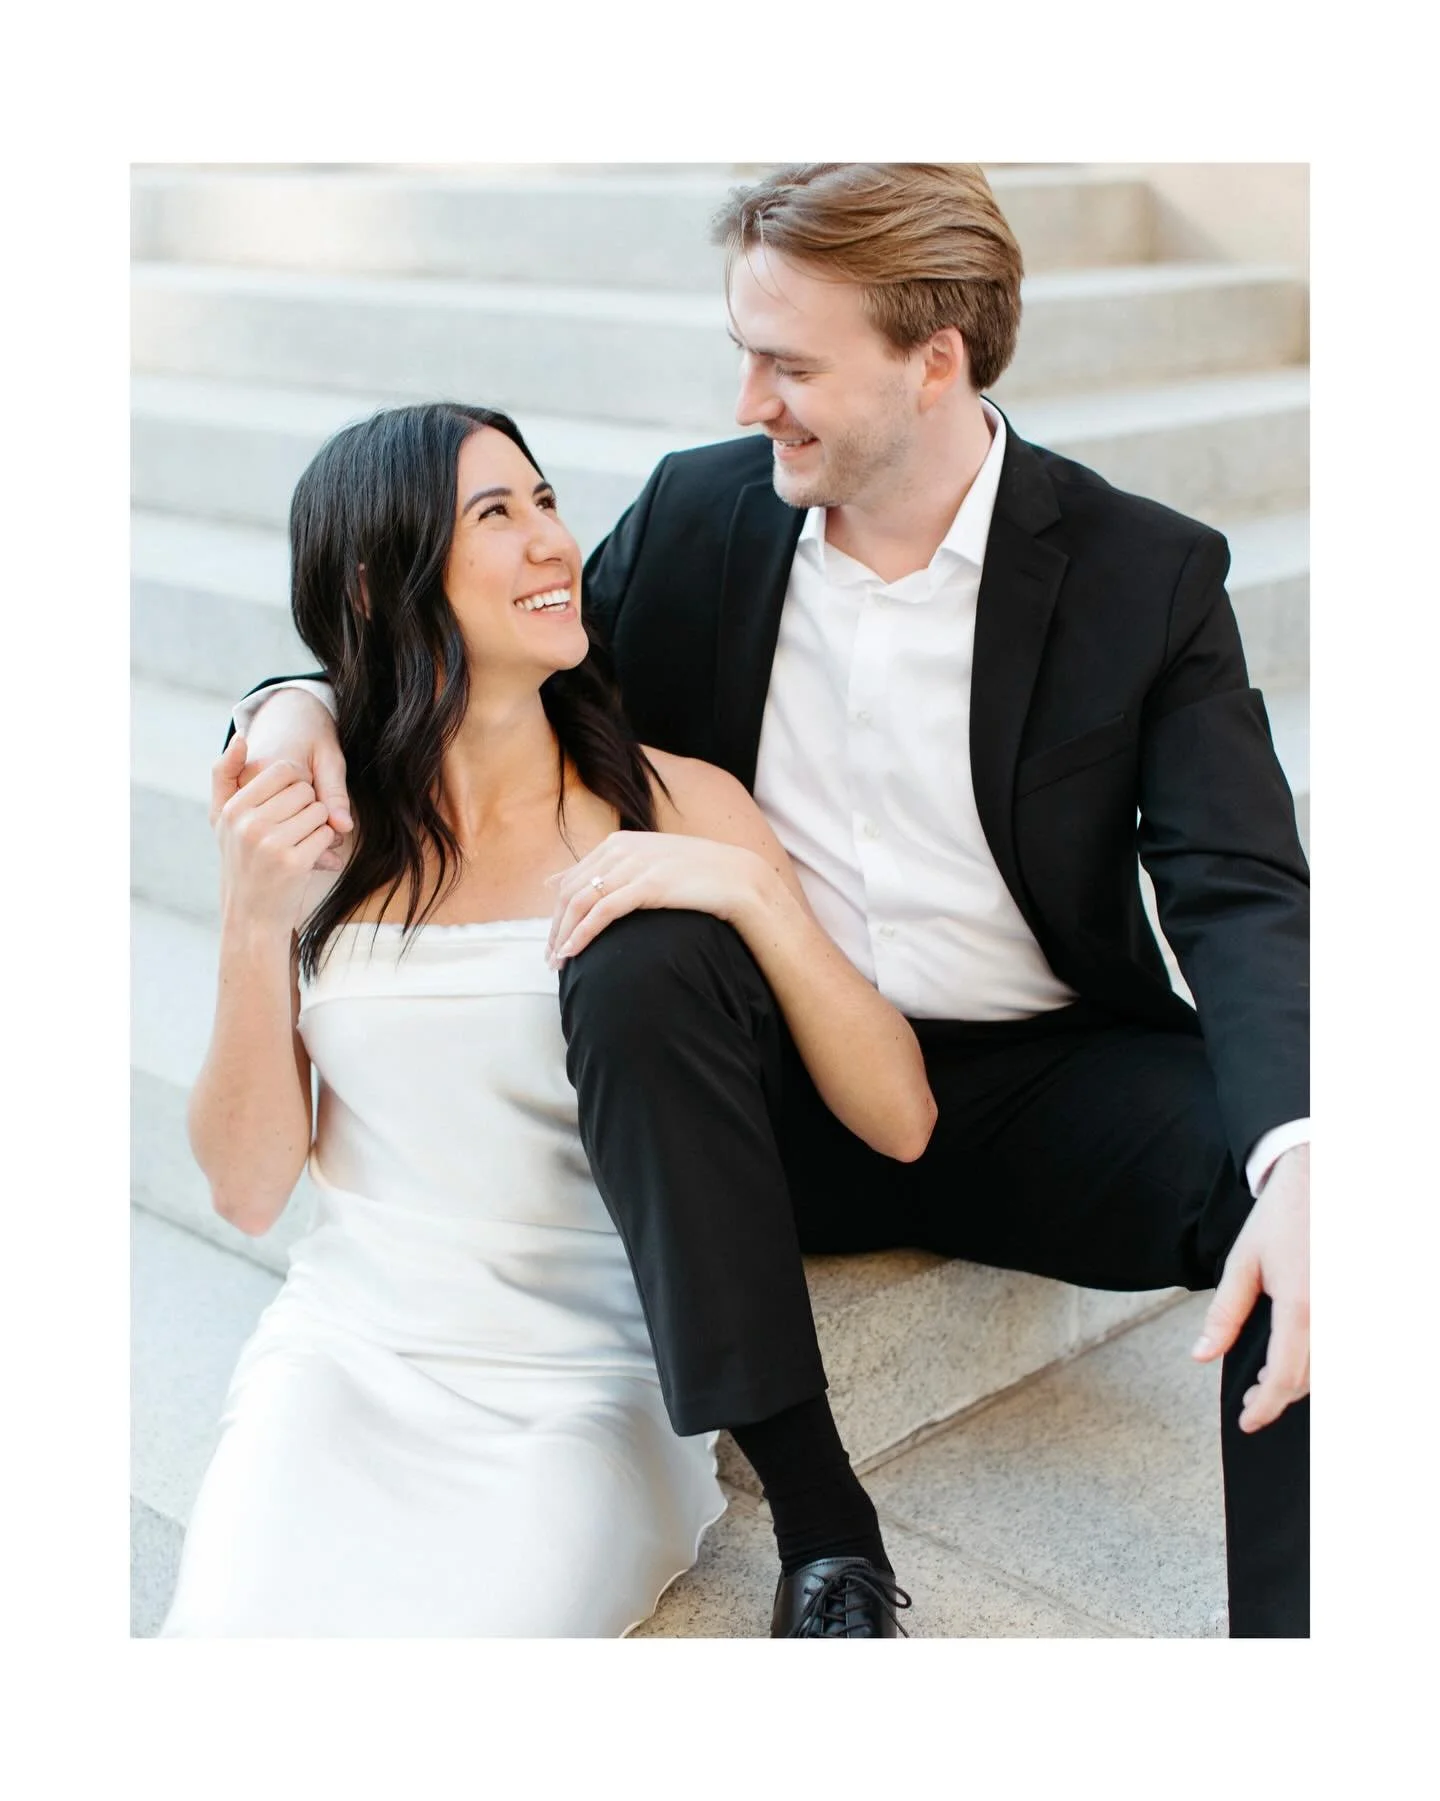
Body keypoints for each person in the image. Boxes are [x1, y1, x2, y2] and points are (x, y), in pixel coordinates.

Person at [232, 163, 1311, 1638]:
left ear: (935, 359)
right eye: (747, 352)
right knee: (638, 950)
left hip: (1047, 1074)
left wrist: (1299, 1151)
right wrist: (287, 702)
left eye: (790, 363)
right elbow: (483, 652)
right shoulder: (701, 516)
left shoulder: (1144, 572)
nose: (752, 401)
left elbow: (1241, 891)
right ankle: (825, 1531)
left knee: (1335, 1215)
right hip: (759, 1084)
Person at [166, 401, 932, 1638]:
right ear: (376, 584)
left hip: (582, 1386)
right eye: (494, 514)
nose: (551, 543)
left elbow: (899, 1115)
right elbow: (252, 1190)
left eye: (546, 502)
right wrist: (253, 926)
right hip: (347, 1357)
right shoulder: (316, 820)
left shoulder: (679, 799)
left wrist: (754, 892)